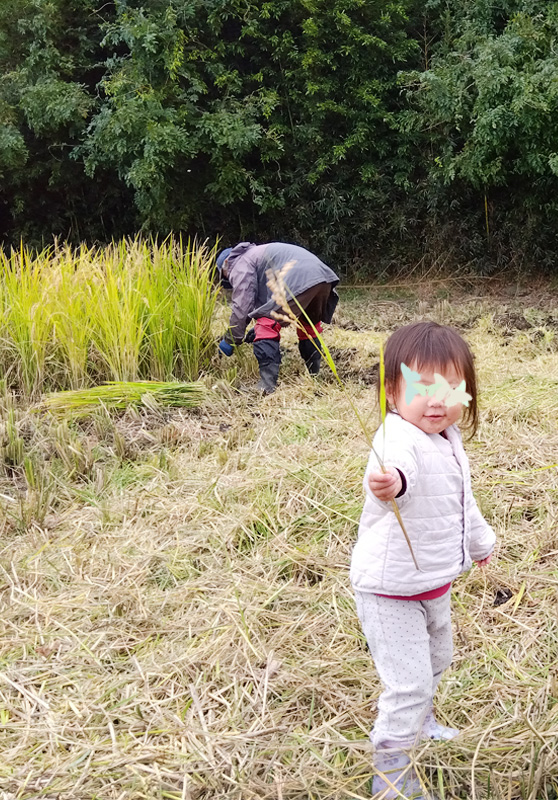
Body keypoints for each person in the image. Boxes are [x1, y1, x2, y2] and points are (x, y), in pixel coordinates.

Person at [351, 321, 496, 799]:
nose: (437, 400)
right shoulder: (398, 438)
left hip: (433, 582)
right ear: (392, 393)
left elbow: (462, 502)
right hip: (391, 589)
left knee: (437, 659)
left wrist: (480, 544)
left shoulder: (449, 439)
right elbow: (399, 475)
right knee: (408, 683)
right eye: (421, 387)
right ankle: (392, 774)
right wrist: (391, 483)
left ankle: (421, 721)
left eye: (451, 387)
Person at [213, 242, 340, 395]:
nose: (229, 278)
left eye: (225, 275)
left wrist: (231, 339)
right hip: (322, 277)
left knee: (266, 326)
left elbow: (242, 305)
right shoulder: (257, 255)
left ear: (226, 263)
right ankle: (315, 376)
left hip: (298, 278)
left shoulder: (239, 262)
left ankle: (266, 386)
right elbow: (267, 301)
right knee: (307, 326)